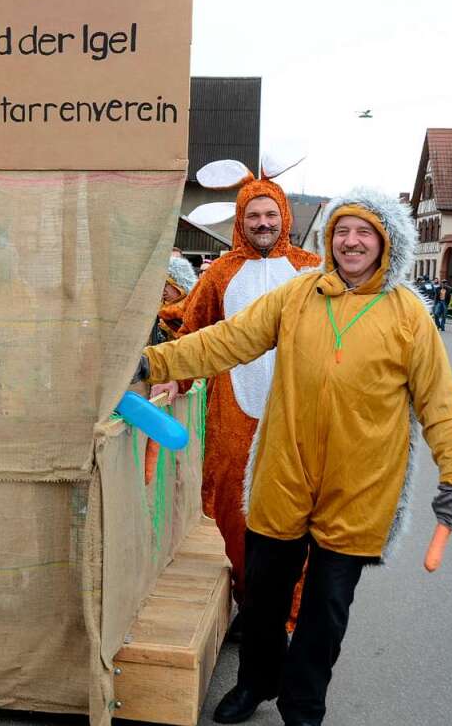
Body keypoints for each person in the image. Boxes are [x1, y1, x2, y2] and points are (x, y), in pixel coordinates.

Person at [137, 189, 452, 726]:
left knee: (324, 610)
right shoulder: (297, 295)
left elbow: (440, 402)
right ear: (329, 240)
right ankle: (255, 682)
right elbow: (225, 341)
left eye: (364, 231)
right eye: (342, 230)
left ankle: (303, 705)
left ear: (386, 241)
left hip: (361, 486)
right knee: (266, 596)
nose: (351, 241)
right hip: (283, 473)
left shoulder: (409, 313)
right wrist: (147, 363)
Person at [156, 161, 320, 617]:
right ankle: (252, 601)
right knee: (235, 513)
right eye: (253, 216)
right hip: (234, 417)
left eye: (270, 215)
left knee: (297, 514)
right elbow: (193, 333)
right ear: (241, 220)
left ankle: (290, 615)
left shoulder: (312, 271)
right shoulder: (220, 273)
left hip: (297, 417)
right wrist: (176, 376)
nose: (263, 224)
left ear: (284, 216)